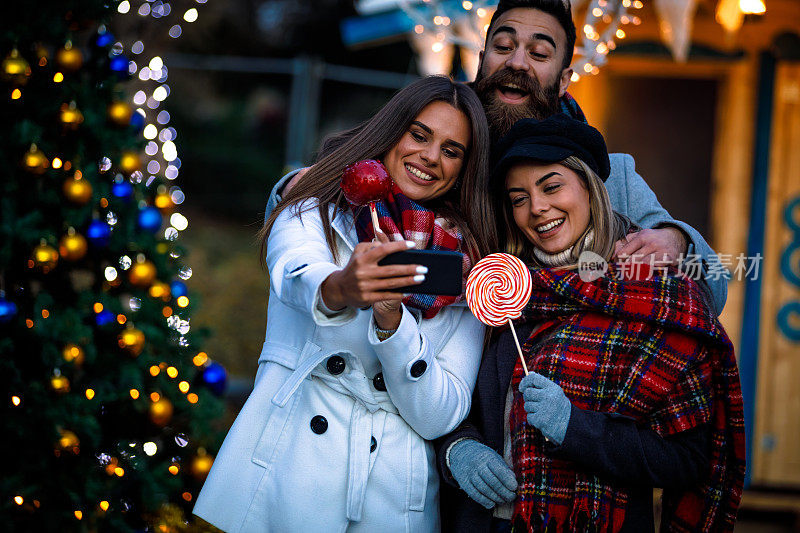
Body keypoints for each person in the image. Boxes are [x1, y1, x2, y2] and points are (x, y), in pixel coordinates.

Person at [265, 0, 728, 316]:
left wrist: (677, 241)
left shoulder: (611, 174)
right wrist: (309, 184)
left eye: (539, 53)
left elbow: (713, 285)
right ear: (483, 58)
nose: (518, 63)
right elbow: (307, 212)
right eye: (504, 47)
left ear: (564, 78)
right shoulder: (442, 150)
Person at [193, 76, 493, 531]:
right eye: (419, 134)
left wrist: (394, 328)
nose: (431, 157)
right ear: (392, 132)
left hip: (392, 494)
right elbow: (293, 272)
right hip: (291, 466)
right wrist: (343, 288)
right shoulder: (312, 209)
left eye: (452, 151)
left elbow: (441, 414)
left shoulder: (469, 268)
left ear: (464, 168)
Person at [438, 115, 745, 532]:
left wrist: (575, 427)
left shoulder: (658, 293)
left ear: (589, 187)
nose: (537, 208)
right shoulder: (503, 286)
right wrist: (459, 449)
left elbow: (688, 461)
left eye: (551, 186)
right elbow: (450, 400)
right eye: (518, 198)